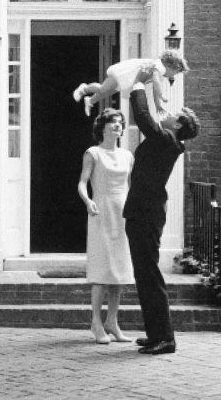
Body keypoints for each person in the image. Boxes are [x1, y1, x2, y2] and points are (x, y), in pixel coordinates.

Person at [124, 79, 201, 355]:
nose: (166, 114)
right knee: (145, 274)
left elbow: (144, 120)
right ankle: (156, 333)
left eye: (173, 114)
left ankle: (165, 338)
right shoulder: (167, 140)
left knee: (149, 274)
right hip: (143, 211)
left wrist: (136, 86)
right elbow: (151, 120)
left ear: (178, 125)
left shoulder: (167, 139)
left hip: (146, 212)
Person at [78, 108, 134, 345]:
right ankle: (96, 322)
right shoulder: (93, 153)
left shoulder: (127, 156)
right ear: (103, 128)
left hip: (122, 213)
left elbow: (129, 186)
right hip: (101, 211)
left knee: (118, 272)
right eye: (114, 124)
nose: (119, 127)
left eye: (121, 124)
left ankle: (113, 321)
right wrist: (88, 200)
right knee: (102, 270)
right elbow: (82, 183)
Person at [73, 50, 189, 117]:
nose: (173, 76)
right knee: (102, 89)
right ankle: (84, 89)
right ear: (171, 66)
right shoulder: (158, 67)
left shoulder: (159, 72)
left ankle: (90, 101)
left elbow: (155, 88)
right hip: (122, 74)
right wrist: (162, 96)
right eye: (175, 72)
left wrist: (158, 105)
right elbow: (157, 85)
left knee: (105, 93)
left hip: (126, 80)